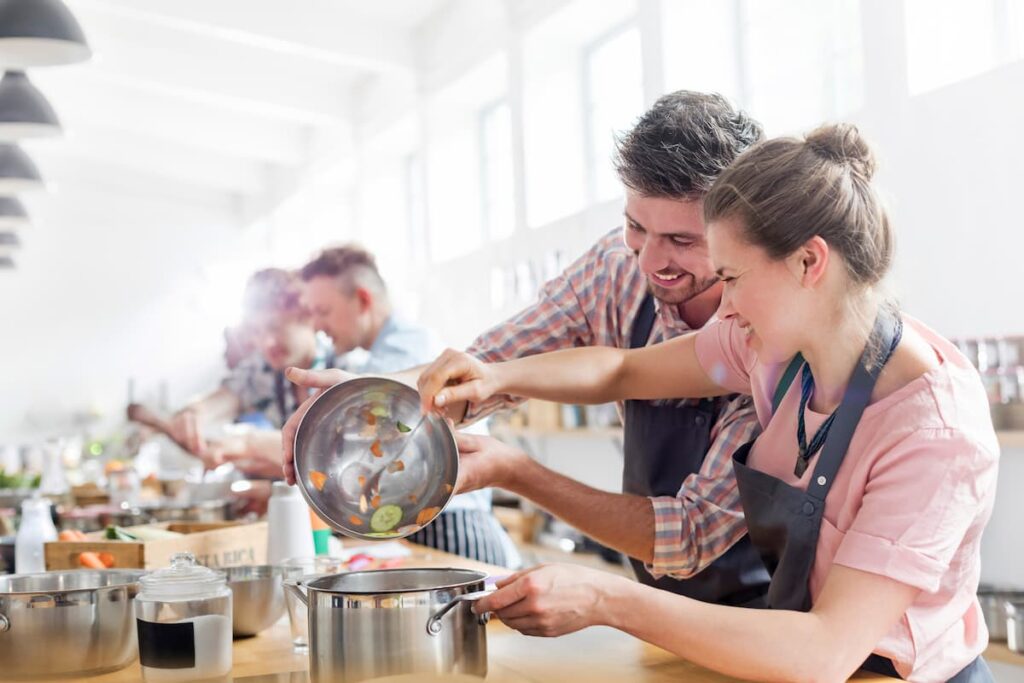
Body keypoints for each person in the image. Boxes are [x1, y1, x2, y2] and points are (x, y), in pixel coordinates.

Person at [415, 124, 998, 682]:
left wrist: (605, 597)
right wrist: (494, 376)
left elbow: (822, 650)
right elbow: (620, 368)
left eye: (733, 278)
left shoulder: (935, 436)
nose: (726, 305)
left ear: (808, 262)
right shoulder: (770, 352)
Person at [283, 91, 770, 605]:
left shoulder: (766, 335)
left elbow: (687, 537)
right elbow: (499, 363)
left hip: (761, 615)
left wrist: (516, 471)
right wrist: (374, 396)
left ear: (739, 230)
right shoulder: (614, 268)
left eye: (682, 241)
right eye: (635, 226)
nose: (650, 260)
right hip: (661, 606)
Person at [298, 245, 520, 567]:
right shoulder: (383, 349)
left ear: (362, 300)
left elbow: (362, 433)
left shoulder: (405, 347)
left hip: (452, 525)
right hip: (425, 524)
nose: (317, 325)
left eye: (323, 311)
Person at [169, 268, 336, 478]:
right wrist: (194, 411)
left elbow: (329, 449)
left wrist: (249, 442)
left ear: (306, 316)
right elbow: (227, 395)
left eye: (274, 327)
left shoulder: (344, 365)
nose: (266, 343)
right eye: (257, 332)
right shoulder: (262, 369)